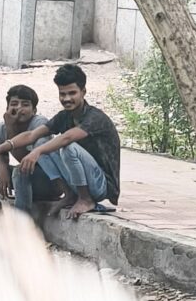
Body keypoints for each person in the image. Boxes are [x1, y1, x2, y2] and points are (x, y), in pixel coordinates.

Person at [13, 64, 121, 220]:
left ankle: (85, 199)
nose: (67, 99)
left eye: (72, 93)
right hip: (78, 181)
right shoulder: (65, 116)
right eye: (62, 94)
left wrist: (37, 152)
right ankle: (69, 194)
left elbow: (67, 138)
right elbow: (31, 135)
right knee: (41, 142)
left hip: (101, 185)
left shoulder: (95, 117)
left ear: (83, 92)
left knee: (67, 147)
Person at [0, 83, 42, 212]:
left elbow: (25, 160)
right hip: (22, 180)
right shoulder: (2, 127)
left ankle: (22, 219)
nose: (19, 108)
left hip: (46, 181)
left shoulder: (39, 124)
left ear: (34, 111)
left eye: (25, 105)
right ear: (7, 108)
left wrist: (11, 127)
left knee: (20, 170)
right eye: (14, 104)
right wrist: (3, 169)